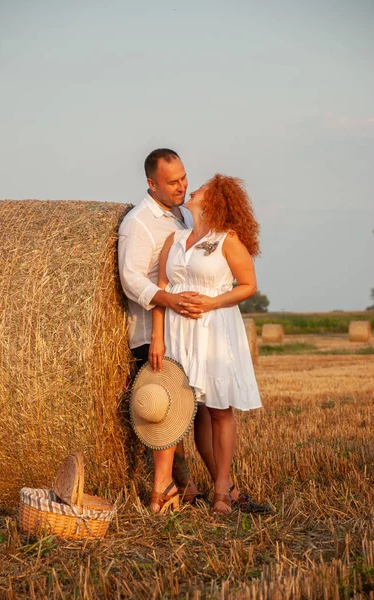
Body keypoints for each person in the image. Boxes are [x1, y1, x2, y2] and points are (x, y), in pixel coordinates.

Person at [149, 174, 269, 515]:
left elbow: (248, 285)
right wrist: (157, 335)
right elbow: (160, 288)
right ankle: (173, 487)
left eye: (200, 187)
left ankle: (221, 491)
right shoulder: (175, 237)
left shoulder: (225, 240)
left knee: (218, 408)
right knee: (180, 408)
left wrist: (211, 303)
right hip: (176, 332)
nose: (192, 189)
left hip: (214, 329)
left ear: (213, 200)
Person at [118, 148, 204, 503]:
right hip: (150, 335)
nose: (182, 186)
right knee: (162, 410)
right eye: (172, 182)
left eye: (183, 177)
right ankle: (164, 488)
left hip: (176, 330)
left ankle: (182, 487)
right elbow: (131, 280)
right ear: (151, 184)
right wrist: (168, 300)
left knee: (179, 411)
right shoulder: (138, 224)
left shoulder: (180, 216)